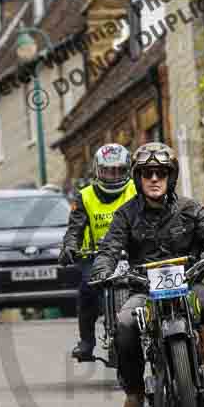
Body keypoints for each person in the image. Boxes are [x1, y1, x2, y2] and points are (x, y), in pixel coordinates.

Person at [91, 142, 204, 407]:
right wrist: (102, 269)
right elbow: (109, 248)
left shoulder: (191, 209)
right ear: (138, 178)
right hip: (144, 290)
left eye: (160, 173)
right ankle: (134, 392)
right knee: (124, 326)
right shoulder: (125, 214)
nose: (154, 179)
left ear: (170, 176)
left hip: (189, 284)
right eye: (147, 173)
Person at [59, 144, 136, 361]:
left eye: (119, 170)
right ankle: (87, 342)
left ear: (128, 170)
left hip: (133, 252)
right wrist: (69, 247)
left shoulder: (137, 189)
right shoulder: (85, 196)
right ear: (97, 171)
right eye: (107, 171)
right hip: (95, 255)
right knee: (87, 290)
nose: (113, 176)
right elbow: (74, 229)